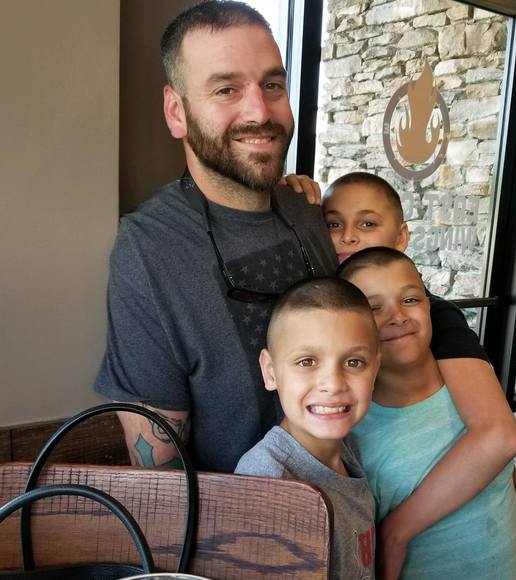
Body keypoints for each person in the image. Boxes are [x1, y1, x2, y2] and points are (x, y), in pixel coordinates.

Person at [94, 1, 337, 472]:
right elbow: (160, 476)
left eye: (272, 85)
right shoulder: (149, 249)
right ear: (176, 111)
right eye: (227, 89)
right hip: (241, 516)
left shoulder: (309, 211)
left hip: (361, 492)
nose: (259, 111)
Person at [326, 172, 516, 580]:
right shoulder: (351, 427)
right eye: (332, 224)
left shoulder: (460, 378)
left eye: (411, 299)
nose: (349, 237)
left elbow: (505, 468)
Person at [339, 247, 516, 579]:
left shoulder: (475, 399)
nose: (397, 316)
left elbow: (508, 483)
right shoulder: (351, 429)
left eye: (410, 300)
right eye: (373, 308)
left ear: (429, 305)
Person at [235, 276, 381, 579]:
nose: (333, 384)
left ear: (375, 370)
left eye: (354, 362)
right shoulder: (269, 482)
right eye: (307, 361)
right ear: (270, 372)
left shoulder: (349, 449)